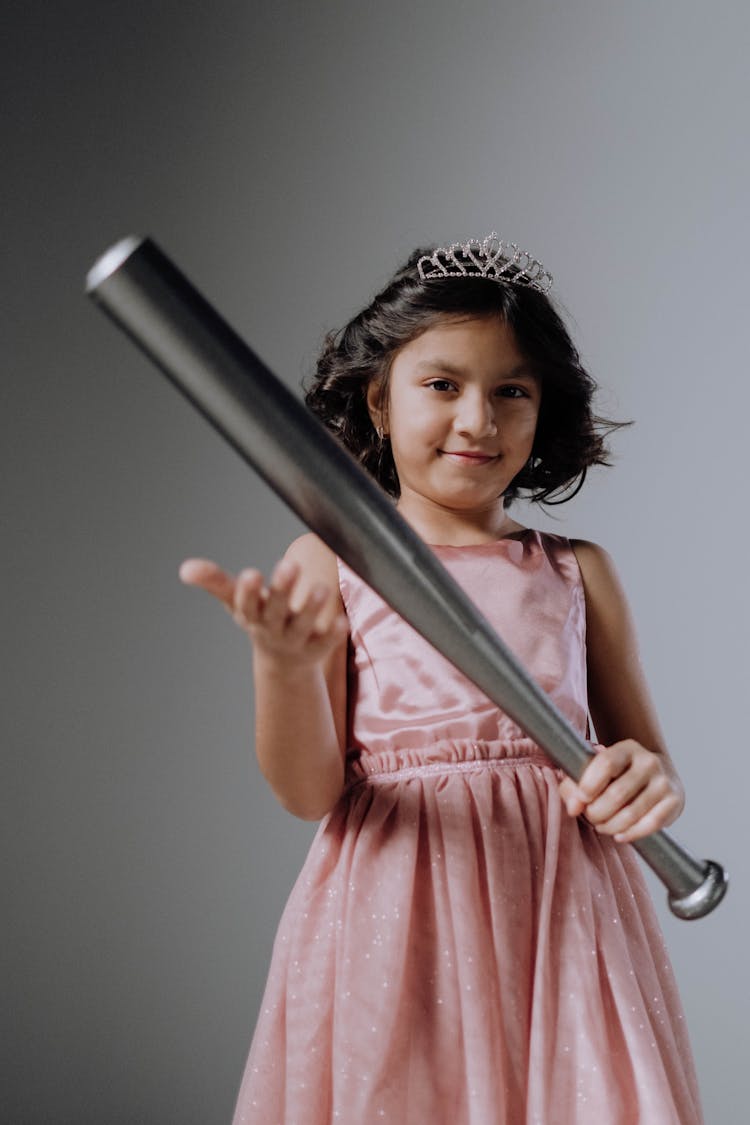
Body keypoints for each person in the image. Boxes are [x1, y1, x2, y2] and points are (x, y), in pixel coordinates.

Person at [179, 235, 703, 1124]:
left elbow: (644, 763)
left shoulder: (578, 572)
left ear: (543, 412)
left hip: (563, 918)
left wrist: (651, 782)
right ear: (379, 401)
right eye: (442, 385)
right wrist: (283, 662)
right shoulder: (329, 563)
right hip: (399, 916)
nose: (478, 421)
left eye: (512, 391)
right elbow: (310, 792)